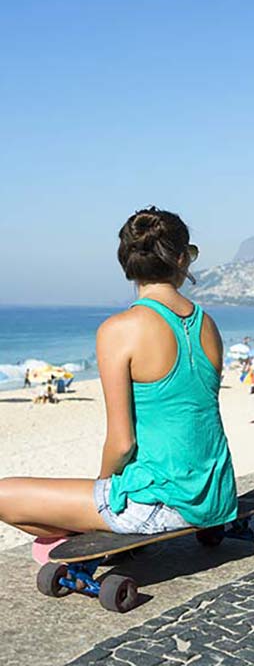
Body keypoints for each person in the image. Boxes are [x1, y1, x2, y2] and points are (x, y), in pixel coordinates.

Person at [0, 207, 238, 542]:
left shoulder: (120, 330)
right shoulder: (207, 325)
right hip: (215, 496)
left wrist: (105, 491)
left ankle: (96, 538)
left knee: (3, 494)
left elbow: (122, 443)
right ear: (182, 259)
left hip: (159, 503)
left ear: (126, 263)